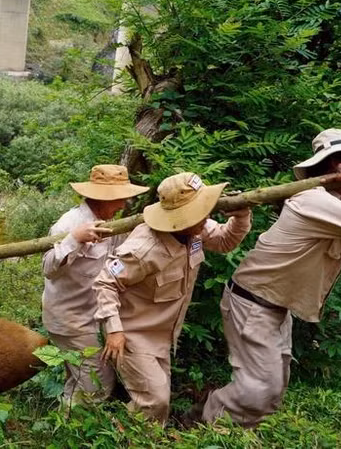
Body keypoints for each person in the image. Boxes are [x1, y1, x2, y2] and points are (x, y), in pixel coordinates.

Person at [202, 129, 341, 427]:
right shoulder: (313, 201)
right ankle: (205, 422)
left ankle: (238, 432)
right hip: (253, 303)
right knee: (259, 389)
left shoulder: (339, 202)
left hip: (274, 305)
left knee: (272, 388)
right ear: (340, 168)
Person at [94, 172, 252, 424]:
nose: (206, 216)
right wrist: (114, 330)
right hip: (133, 336)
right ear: (179, 218)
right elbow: (105, 281)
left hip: (163, 336)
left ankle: (138, 435)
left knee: (156, 402)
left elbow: (224, 241)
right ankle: (125, 436)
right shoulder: (143, 249)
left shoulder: (196, 228)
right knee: (155, 401)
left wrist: (241, 216)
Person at [41, 164, 149, 406]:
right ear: (101, 197)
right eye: (119, 199)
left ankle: (66, 418)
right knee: (97, 385)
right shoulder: (69, 224)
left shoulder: (112, 223)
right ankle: (77, 431)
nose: (122, 205)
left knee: (80, 377)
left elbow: (115, 263)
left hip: (93, 316)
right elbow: (48, 268)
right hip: (70, 320)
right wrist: (74, 240)